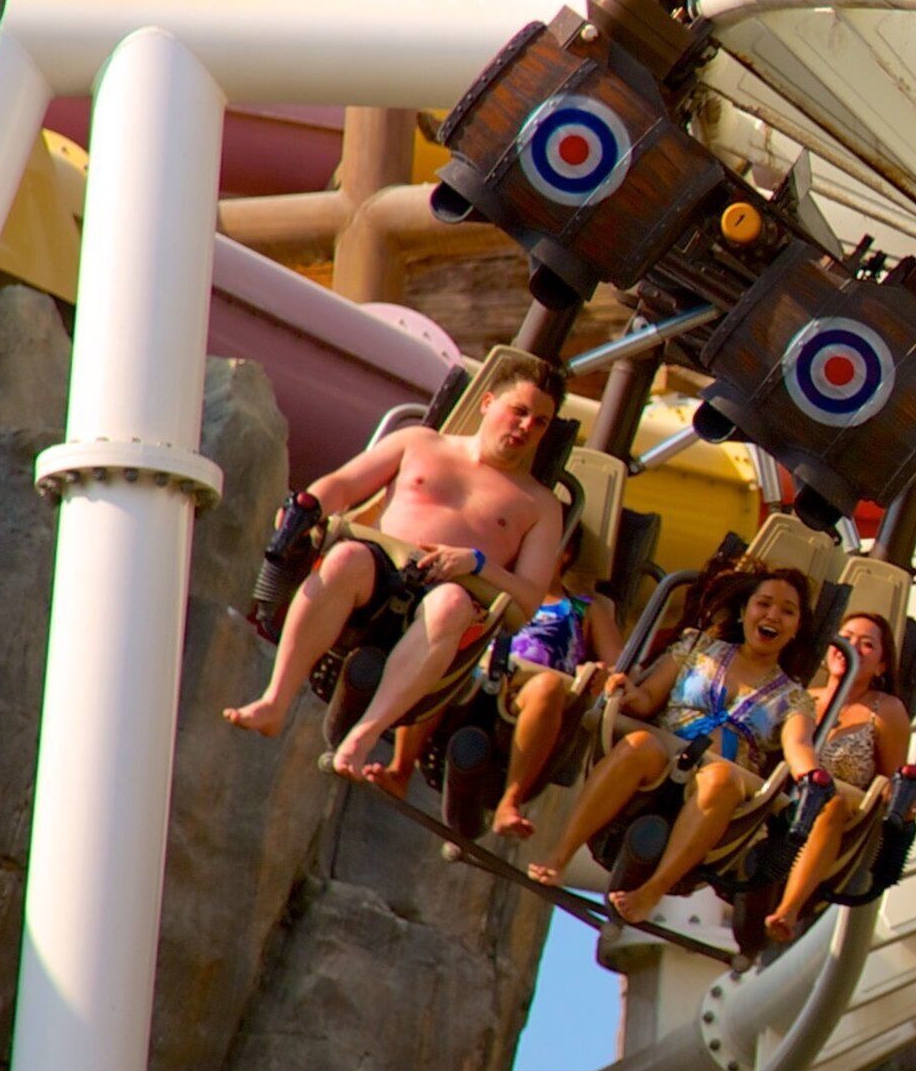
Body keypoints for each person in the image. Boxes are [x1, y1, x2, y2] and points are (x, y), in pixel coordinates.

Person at [226, 365, 570, 781]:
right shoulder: (419, 443)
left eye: (540, 422)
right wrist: (309, 505)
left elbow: (530, 597)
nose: (526, 426)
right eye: (519, 411)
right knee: (344, 559)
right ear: (487, 403)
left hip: (455, 595)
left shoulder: (539, 505)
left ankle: (361, 739)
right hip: (378, 571)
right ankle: (274, 702)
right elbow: (344, 484)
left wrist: (478, 563)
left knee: (451, 604)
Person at [525, 562, 821, 924]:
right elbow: (647, 698)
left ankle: (652, 890)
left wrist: (813, 778)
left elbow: (799, 746)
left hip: (721, 774)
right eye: (764, 604)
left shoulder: (794, 697)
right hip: (665, 750)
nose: (773, 614)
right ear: (745, 611)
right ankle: (559, 856)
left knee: (723, 782)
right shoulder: (697, 648)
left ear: (796, 629)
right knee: (639, 744)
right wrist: (626, 692)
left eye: (787, 611)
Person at [763, 610, 916, 937]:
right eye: (845, 639)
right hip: (781, 799)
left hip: (840, 813)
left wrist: (905, 802)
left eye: (865, 645)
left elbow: (892, 779)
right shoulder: (803, 697)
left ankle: (787, 911)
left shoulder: (886, 710)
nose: (850, 648)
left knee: (829, 804)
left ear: (881, 665)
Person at [487, 551, 628, 839]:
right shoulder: (494, 584)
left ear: (564, 554)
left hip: (532, 690)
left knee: (547, 686)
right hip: (482, 672)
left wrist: (603, 672)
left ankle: (509, 802)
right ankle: (398, 765)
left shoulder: (582, 608)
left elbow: (620, 668)